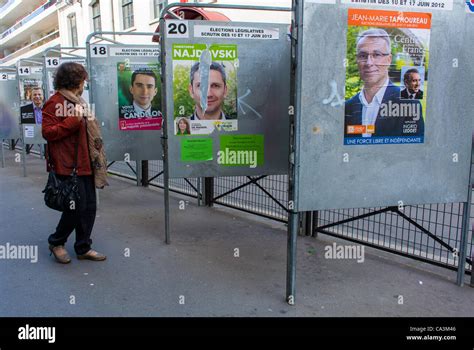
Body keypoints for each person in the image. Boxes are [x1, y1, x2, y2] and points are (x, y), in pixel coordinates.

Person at [42, 62, 107, 264]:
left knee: (89, 207)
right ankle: (56, 242)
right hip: (69, 165)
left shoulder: (78, 101)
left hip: (86, 163)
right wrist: (72, 121)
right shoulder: (55, 102)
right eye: (83, 80)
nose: (84, 85)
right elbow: (48, 132)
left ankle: (83, 247)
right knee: (74, 207)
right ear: (76, 81)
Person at [345, 28, 424, 138]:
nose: (369, 63)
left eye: (377, 55)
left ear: (389, 59)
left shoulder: (409, 105)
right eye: (363, 56)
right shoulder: (347, 107)